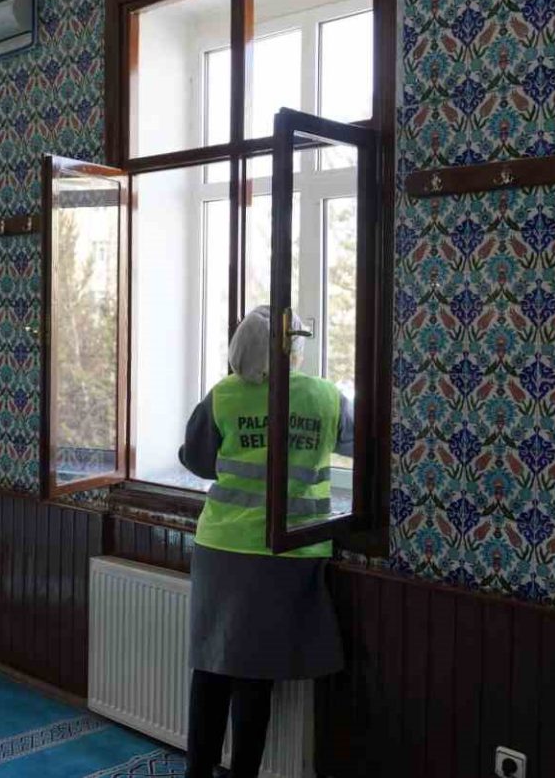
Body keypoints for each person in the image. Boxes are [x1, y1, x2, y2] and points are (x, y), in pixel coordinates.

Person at [178, 305, 352, 778]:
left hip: (223, 549)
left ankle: (197, 773)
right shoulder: (325, 397)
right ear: (293, 347)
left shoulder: (224, 396)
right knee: (256, 678)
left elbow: (197, 460)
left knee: (211, 669)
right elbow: (365, 447)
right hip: (290, 550)